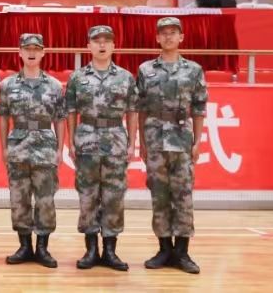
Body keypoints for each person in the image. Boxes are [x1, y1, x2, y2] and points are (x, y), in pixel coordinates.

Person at [137, 17, 207, 275]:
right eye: (163, 33)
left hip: (182, 139)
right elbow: (141, 109)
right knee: (159, 195)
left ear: (181, 37)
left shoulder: (194, 70)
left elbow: (198, 108)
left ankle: (183, 252)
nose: (168, 37)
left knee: (183, 196)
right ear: (157, 38)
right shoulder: (146, 69)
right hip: (155, 138)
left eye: (173, 32)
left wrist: (197, 141)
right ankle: (164, 249)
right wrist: (142, 142)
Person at [65, 25, 138, 271]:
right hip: (86, 138)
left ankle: (110, 250)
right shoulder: (77, 77)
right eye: (97, 41)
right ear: (89, 46)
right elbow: (71, 111)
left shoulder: (125, 77)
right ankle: (90, 249)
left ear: (114, 45)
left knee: (114, 196)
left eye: (107, 40)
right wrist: (71, 141)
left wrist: (132, 142)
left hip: (115, 138)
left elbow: (132, 111)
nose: (102, 45)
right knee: (87, 195)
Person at [0, 34, 65, 268]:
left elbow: (60, 119)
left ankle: (43, 248)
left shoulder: (54, 85)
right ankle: (24, 246)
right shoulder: (8, 85)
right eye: (27, 49)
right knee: (19, 198)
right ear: (20, 52)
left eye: (36, 48)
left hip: (45, 145)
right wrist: (4, 147)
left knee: (45, 199)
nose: (32, 53)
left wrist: (60, 149)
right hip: (18, 145)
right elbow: (3, 118)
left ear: (43, 52)